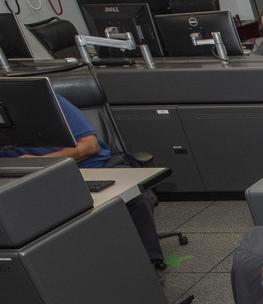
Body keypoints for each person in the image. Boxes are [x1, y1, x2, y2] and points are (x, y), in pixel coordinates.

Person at [0, 93, 165, 270]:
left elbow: (89, 146)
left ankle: (150, 265)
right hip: (24, 178)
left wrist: (43, 162)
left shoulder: (48, 102)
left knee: (135, 200)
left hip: (91, 166)